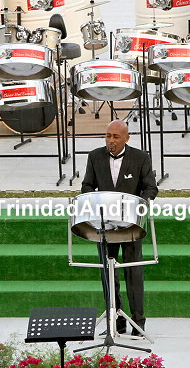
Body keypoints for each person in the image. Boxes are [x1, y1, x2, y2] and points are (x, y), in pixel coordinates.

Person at [81, 120, 158, 336]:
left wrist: (139, 206)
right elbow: (87, 185)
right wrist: (94, 202)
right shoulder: (95, 156)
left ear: (126, 138)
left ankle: (138, 321)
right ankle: (116, 319)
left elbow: (151, 187)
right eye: (108, 136)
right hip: (104, 224)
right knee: (108, 272)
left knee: (133, 272)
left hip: (130, 225)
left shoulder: (141, 157)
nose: (111, 141)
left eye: (116, 137)